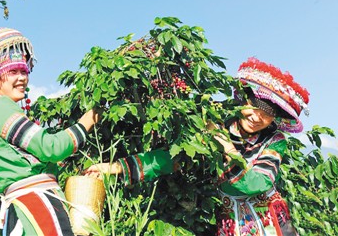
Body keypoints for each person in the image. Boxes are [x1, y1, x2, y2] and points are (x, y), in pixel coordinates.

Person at [84, 57, 310, 236]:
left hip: (270, 223)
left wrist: (227, 148)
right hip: (230, 220)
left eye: (268, 115)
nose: (257, 118)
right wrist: (116, 168)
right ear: (243, 100)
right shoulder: (215, 123)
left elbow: (258, 182)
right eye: (255, 107)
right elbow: (170, 159)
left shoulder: (274, 141)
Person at [0, 28, 100, 235]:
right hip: (36, 206)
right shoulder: (0, 108)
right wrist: (89, 119)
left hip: (23, 208)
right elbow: (51, 148)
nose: (22, 78)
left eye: (24, 71)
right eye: (13, 72)